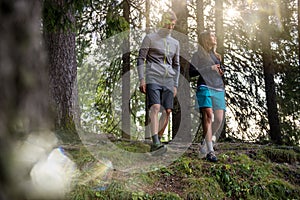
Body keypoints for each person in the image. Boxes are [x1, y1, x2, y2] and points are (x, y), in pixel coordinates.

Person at [136, 10, 180, 155]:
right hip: (153, 77)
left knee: (167, 111)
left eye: (173, 25)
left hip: (168, 79)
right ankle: (155, 142)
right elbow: (141, 58)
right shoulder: (150, 38)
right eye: (168, 24)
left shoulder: (175, 43)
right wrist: (142, 79)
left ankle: (158, 143)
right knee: (155, 107)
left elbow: (176, 64)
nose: (170, 27)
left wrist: (175, 84)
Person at [189, 31, 226, 162]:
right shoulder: (197, 55)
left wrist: (220, 72)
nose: (215, 37)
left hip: (218, 88)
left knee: (219, 119)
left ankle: (206, 141)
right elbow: (191, 72)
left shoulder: (217, 56)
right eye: (212, 35)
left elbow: (218, 71)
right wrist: (209, 68)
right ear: (205, 39)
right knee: (208, 116)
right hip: (204, 87)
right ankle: (210, 151)